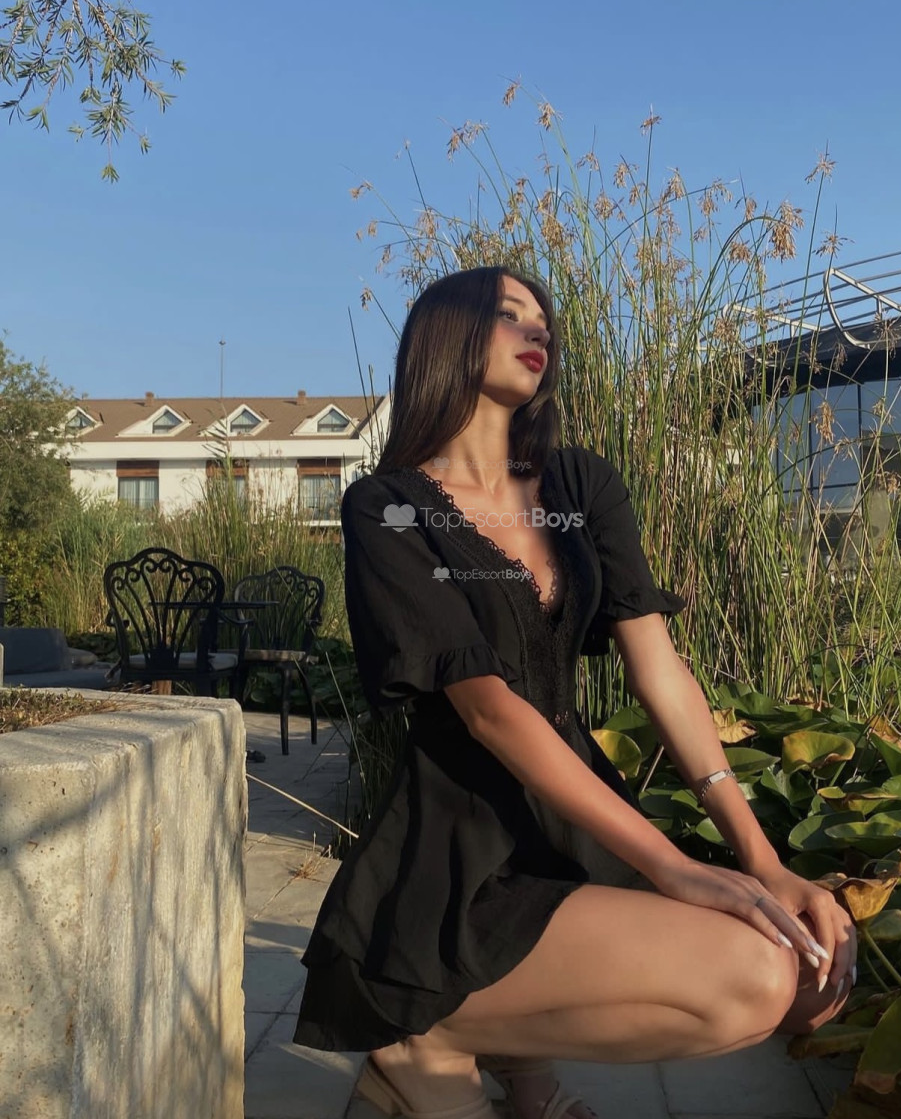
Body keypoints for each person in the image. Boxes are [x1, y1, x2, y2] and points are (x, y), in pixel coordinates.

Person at [293, 266, 857, 1119]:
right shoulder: (388, 508)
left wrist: (759, 858)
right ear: (446, 335)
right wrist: (670, 866)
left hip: (573, 813)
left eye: (544, 320)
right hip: (461, 837)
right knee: (755, 975)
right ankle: (424, 1039)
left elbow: (657, 666)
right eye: (508, 313)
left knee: (811, 980)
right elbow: (487, 710)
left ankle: (516, 1067)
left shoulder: (578, 485)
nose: (539, 331)